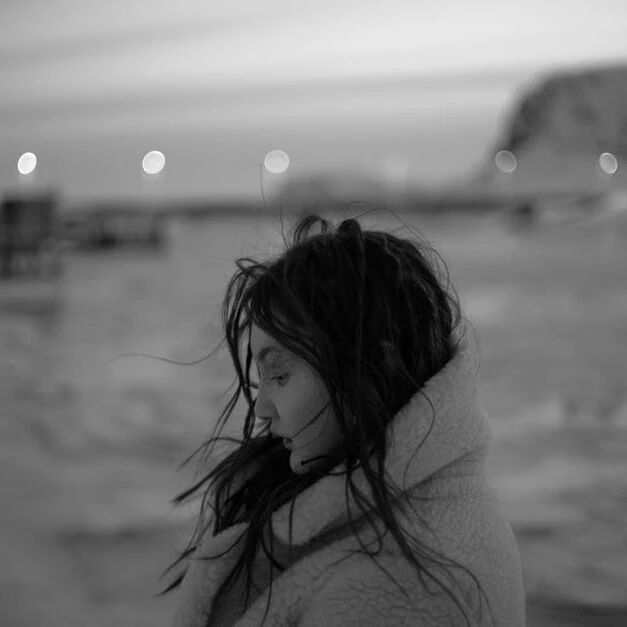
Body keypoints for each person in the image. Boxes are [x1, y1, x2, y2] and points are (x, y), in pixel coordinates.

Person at [162, 213, 526, 626]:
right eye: (261, 378)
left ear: (370, 367)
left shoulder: (403, 594)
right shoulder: (437, 506)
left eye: (278, 375)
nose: (261, 409)